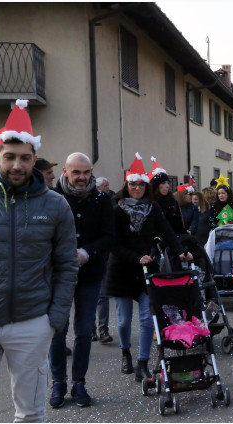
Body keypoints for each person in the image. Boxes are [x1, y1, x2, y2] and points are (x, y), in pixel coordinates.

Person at [0, 99, 77, 422]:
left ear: (35, 159)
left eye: (24, 158)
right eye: (10, 157)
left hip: (33, 323)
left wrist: (54, 319)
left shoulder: (56, 206)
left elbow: (66, 265)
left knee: (31, 413)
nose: (16, 165)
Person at [104, 153, 192, 383]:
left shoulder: (152, 208)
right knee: (123, 320)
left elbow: (168, 233)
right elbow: (113, 243)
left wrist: (181, 250)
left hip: (147, 267)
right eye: (132, 184)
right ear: (127, 185)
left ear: (146, 186)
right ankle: (126, 353)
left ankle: (142, 362)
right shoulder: (117, 209)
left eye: (140, 184)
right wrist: (135, 257)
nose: (136, 188)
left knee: (146, 318)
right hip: (122, 267)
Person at [49, 152, 114, 408]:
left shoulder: (102, 199)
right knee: (58, 330)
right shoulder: (52, 199)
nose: (82, 177)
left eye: (86, 172)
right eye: (76, 172)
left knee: (84, 331)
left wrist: (87, 252)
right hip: (58, 276)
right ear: (65, 171)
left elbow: (109, 236)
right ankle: (58, 383)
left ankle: (79, 383)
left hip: (90, 275)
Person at [93, 176, 117, 345]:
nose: (107, 188)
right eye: (104, 186)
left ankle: (103, 329)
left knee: (102, 296)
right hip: (87, 256)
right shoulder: (88, 204)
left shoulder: (112, 204)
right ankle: (90, 329)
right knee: (87, 296)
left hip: (103, 256)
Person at [148, 157, 185, 235]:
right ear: (156, 185)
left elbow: (179, 225)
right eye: (163, 183)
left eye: (168, 183)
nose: (167, 186)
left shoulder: (172, 202)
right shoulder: (149, 202)